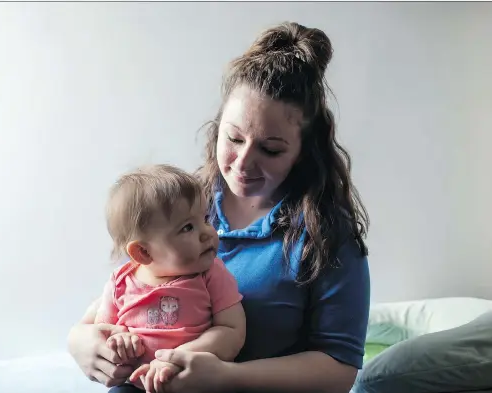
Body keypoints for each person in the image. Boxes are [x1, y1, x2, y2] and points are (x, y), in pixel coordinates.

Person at [68, 21, 371, 393]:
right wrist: (80, 341)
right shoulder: (184, 203)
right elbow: (130, 289)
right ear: (217, 128)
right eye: (234, 138)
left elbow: (339, 369)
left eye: (271, 149)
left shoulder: (325, 234)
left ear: (305, 151)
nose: (243, 163)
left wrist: (227, 378)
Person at [81, 164, 246, 393]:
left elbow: (232, 331)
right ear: (143, 253)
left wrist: (179, 357)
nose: (208, 231)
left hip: (193, 382)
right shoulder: (120, 283)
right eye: (188, 227)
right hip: (136, 387)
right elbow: (104, 331)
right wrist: (119, 342)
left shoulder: (211, 274)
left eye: (205, 218)